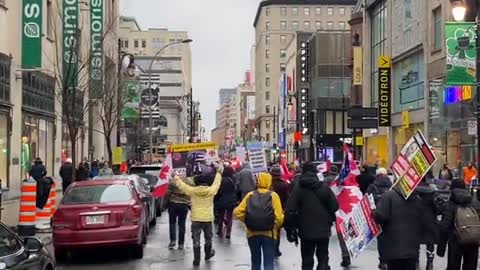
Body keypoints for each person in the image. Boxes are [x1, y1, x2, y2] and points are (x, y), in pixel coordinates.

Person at [285, 162, 339, 270]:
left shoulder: (298, 188)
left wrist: (290, 228)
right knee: (323, 258)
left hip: (305, 230)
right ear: (315, 172)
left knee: (307, 259)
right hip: (323, 229)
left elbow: (290, 209)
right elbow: (335, 206)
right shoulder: (324, 187)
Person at [172, 163, 222, 267]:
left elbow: (182, 186)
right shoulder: (211, 190)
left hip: (196, 219)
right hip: (208, 219)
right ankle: (208, 254)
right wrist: (218, 171)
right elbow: (217, 183)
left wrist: (175, 176)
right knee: (208, 238)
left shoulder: (192, 191)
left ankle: (196, 260)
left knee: (196, 240)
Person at [373, 185, 433, 270]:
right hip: (412, 249)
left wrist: (373, 212)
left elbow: (380, 217)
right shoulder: (416, 198)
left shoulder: (388, 196)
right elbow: (423, 221)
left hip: (392, 248)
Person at [234, 172, 284, 270]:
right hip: (269, 234)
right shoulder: (273, 196)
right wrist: (274, 226)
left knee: (255, 261)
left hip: (252, 233)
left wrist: (248, 221)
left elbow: (238, 212)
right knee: (269, 262)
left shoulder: (250, 195)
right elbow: (279, 217)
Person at [437, 180, 479, 270]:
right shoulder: (474, 203)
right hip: (473, 241)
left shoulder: (450, 204)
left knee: (453, 266)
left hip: (456, 241)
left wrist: (441, 249)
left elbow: (444, 226)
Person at [366, 167, 392, 270]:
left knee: (381, 239)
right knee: (390, 238)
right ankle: (390, 258)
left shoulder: (372, 186)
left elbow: (367, 201)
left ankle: (382, 260)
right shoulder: (392, 186)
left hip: (378, 216)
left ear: (377, 175)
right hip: (390, 216)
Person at [415, 174, 439, 270]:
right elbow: (437, 208)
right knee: (430, 242)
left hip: (416, 219)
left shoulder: (413, 191)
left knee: (415, 241)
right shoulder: (432, 191)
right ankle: (430, 263)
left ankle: (416, 262)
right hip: (429, 219)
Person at [165, 175, 194, 250]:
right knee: (182, 224)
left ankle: (173, 240)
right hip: (184, 205)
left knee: (172, 223)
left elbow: (167, 193)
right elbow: (192, 190)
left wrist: (166, 203)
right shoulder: (188, 180)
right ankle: (181, 243)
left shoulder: (172, 181)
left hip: (173, 204)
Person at [270, 165, 290, 257]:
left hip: (268, 210)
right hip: (279, 210)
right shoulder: (284, 185)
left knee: (269, 230)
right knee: (277, 231)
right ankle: (276, 249)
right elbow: (287, 198)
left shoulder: (268, 184)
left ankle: (269, 248)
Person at [214, 166, 238, 239]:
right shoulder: (234, 179)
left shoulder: (221, 179)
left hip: (221, 199)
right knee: (229, 216)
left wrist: (215, 199)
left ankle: (219, 230)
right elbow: (237, 189)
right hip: (231, 200)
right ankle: (228, 232)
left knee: (221, 216)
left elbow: (218, 190)